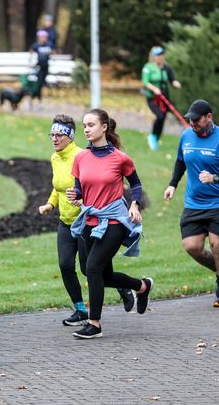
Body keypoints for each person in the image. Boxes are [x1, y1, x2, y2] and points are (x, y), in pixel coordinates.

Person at [39, 115, 135, 327]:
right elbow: (58, 186)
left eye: (59, 135)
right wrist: (50, 204)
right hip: (66, 221)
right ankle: (81, 310)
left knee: (90, 270)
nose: (54, 139)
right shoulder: (55, 158)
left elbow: (101, 184)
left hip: (87, 222)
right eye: (52, 135)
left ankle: (125, 287)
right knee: (65, 265)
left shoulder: (83, 155)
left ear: (70, 137)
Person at [66, 109, 153, 339]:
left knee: (93, 269)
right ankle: (142, 286)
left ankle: (94, 324)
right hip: (89, 220)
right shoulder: (81, 158)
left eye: (91, 125)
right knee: (92, 271)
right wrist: (74, 195)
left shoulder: (120, 158)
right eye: (84, 125)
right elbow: (80, 188)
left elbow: (135, 184)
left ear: (104, 127)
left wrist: (134, 204)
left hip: (113, 220)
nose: (86, 129)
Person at [163, 100, 219, 307]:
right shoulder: (186, 136)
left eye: (196, 119)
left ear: (209, 117)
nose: (192, 123)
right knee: (192, 247)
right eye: (190, 119)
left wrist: (215, 178)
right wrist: (172, 184)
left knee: (218, 245)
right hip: (194, 203)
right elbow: (181, 161)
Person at [142, 46, 182, 150]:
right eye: (158, 55)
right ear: (153, 56)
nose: (160, 57)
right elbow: (145, 82)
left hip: (165, 98)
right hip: (153, 98)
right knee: (159, 116)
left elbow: (172, 80)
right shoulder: (148, 67)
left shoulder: (167, 68)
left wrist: (176, 83)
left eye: (161, 55)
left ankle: (155, 139)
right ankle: (152, 137)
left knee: (163, 118)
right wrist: (154, 89)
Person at [29, 30, 54, 102]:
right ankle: (36, 97)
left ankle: (35, 96)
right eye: (42, 37)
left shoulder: (49, 44)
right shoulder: (36, 45)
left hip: (46, 67)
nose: (44, 38)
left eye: (45, 37)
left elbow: (53, 52)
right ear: (39, 37)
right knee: (39, 82)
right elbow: (31, 53)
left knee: (42, 83)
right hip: (38, 67)